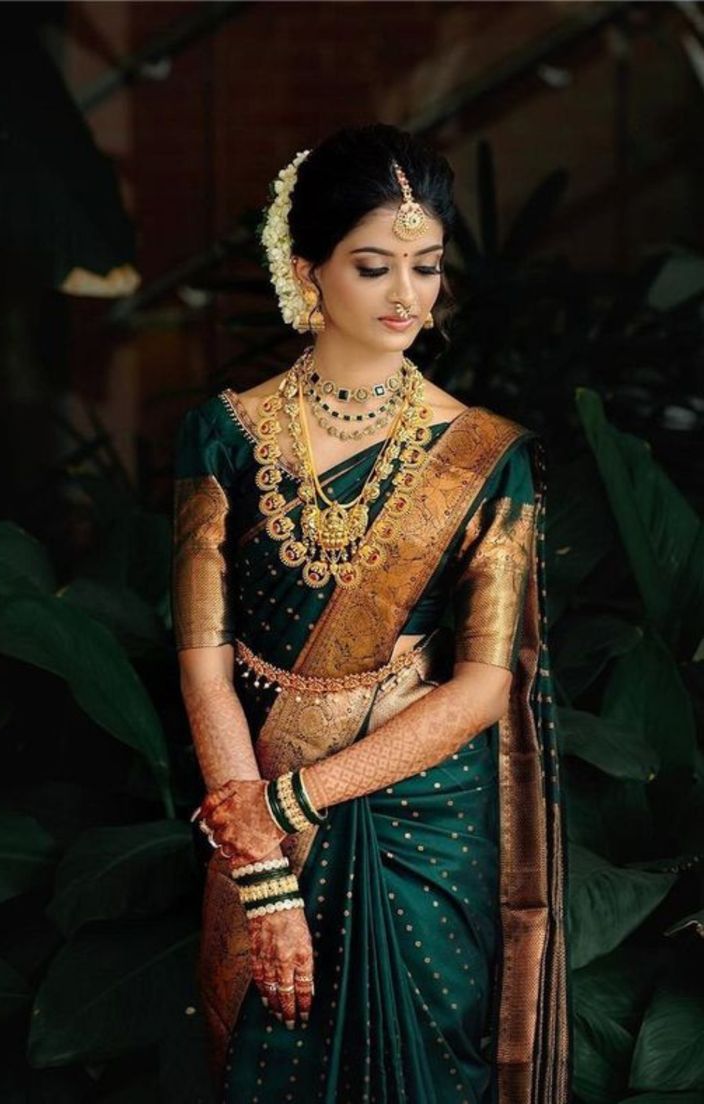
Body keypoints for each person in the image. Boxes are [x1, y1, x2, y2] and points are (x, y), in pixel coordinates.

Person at [172, 123, 572, 1104]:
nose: (406, 296)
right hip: (256, 787)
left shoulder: (485, 457)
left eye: (426, 267)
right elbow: (202, 663)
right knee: (275, 1056)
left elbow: (481, 688)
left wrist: (293, 802)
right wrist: (261, 864)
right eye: (373, 265)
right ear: (306, 271)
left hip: (424, 820)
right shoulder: (222, 435)